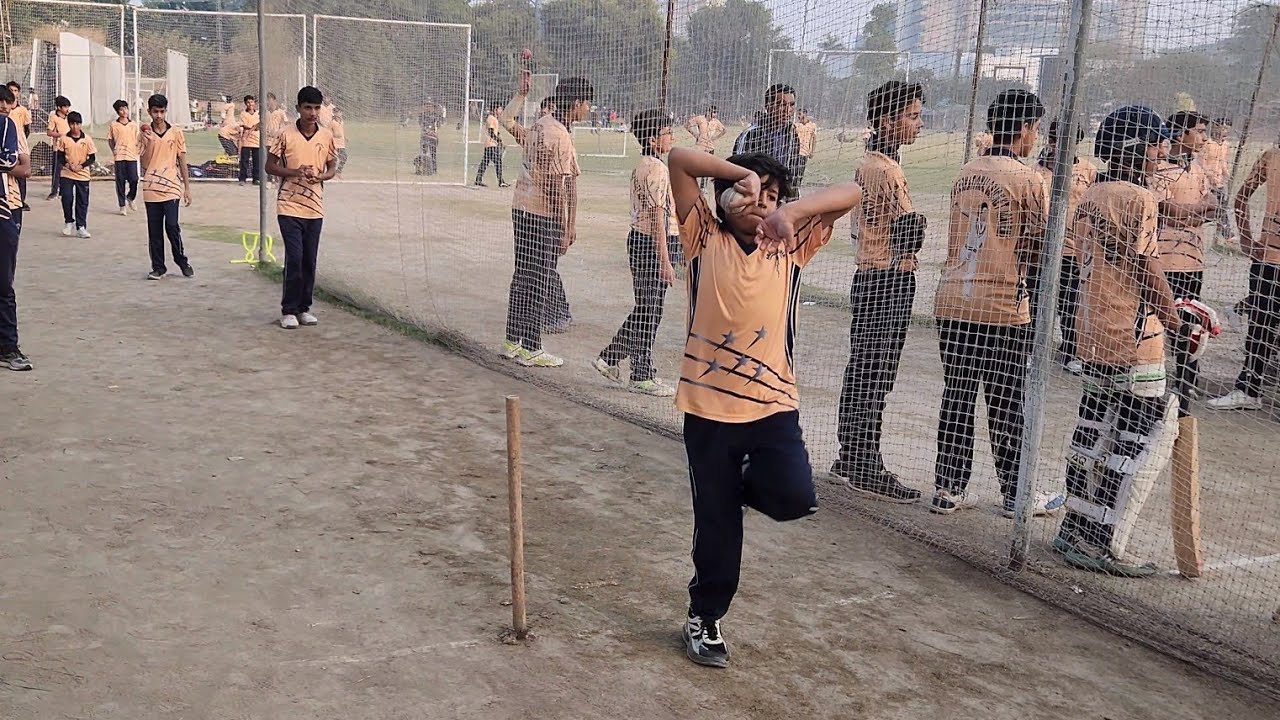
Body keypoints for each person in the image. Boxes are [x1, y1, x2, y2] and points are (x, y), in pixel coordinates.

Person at [668, 145, 860, 668]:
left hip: (773, 407)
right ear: (724, 196)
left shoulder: (790, 246)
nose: (759, 203)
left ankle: (739, 489)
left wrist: (790, 213)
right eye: (749, 194)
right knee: (717, 534)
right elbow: (680, 160)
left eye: (770, 195)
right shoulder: (702, 236)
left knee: (797, 497)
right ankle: (704, 617)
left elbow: (853, 193)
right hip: (708, 414)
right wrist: (740, 176)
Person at [1053, 106, 1180, 577]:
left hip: (1093, 336)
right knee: (1133, 444)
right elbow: (1145, 266)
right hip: (1134, 339)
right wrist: (1175, 319)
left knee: (1091, 435)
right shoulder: (1138, 198)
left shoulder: (1093, 193)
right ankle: (1102, 540)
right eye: (1154, 145)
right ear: (1134, 147)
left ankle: (1072, 528)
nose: (1160, 153)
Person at [932, 89, 1064, 518]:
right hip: (1003, 306)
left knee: (958, 394)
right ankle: (1015, 494)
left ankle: (948, 488)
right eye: (1036, 128)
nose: (1036, 136)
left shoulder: (965, 171)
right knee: (1007, 400)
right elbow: (1042, 244)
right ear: (1024, 128)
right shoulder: (1029, 179)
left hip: (953, 302)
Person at [831, 80, 925, 502]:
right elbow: (910, 229)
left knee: (864, 367)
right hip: (888, 277)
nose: (918, 124)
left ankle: (850, 455)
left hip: (870, 273)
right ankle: (865, 462)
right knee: (876, 371)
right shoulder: (886, 169)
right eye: (912, 116)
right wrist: (916, 229)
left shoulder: (870, 163)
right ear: (887, 121)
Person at [501, 77, 593, 366]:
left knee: (522, 276)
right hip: (542, 215)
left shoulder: (541, 125)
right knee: (539, 279)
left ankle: (511, 341)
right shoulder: (560, 135)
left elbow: (506, 120)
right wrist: (565, 226)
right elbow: (557, 186)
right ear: (577, 104)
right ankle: (532, 347)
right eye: (587, 104)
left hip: (521, 209)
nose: (589, 109)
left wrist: (520, 95)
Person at [592, 108, 678, 397]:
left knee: (649, 309)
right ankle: (640, 373)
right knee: (650, 310)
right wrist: (665, 260)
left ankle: (612, 358)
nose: (671, 137)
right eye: (667, 132)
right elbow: (657, 217)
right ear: (653, 139)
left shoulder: (646, 165)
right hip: (651, 243)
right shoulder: (655, 168)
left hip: (645, 242)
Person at [1149, 111, 1215, 412]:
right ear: (1179, 134)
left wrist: (1192, 211)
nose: (1204, 138)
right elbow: (1166, 210)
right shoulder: (1158, 171)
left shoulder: (1199, 170)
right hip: (1164, 262)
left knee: (1191, 325)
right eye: (1199, 132)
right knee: (1160, 321)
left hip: (1193, 262)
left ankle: (1186, 382)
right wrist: (1195, 211)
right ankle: (1154, 382)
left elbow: (1212, 206)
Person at [1206, 142, 1280, 411]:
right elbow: (1241, 197)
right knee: (1261, 325)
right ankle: (1249, 389)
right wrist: (1248, 239)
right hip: (1269, 260)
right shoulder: (1272, 156)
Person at [266, 86, 338, 330]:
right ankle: (289, 309)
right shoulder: (285, 134)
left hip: (314, 207)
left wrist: (322, 177)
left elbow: (332, 166)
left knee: (309, 259)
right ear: (298, 108)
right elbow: (270, 166)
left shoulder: (326, 136)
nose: (312, 113)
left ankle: (304, 307)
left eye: (317, 108)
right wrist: (294, 172)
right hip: (288, 205)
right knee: (295, 257)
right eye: (308, 107)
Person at [1036, 121, 1096, 373]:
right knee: (1040, 300)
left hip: (1075, 250)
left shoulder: (1088, 171)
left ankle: (1071, 350)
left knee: (1071, 302)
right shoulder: (1038, 171)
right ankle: (1033, 350)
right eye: (1055, 139)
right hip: (1044, 249)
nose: (1058, 145)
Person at [139, 94, 194, 280]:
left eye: (162, 111)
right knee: (154, 231)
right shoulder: (144, 134)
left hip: (171, 187)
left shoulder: (176, 132)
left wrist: (187, 188)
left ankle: (182, 261)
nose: (159, 116)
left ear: (166, 111)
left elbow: (182, 160)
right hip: (151, 188)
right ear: (149, 112)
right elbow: (145, 163)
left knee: (172, 226)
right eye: (155, 112)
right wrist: (146, 143)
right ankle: (158, 267)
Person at [0, 84, 31, 371]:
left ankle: (8, 347)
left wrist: (2, 165)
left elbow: (24, 168)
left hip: (8, 206)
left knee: (3, 281)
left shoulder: (10, 126)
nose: (5, 108)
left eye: (7, 103)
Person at [733, 84, 803, 199]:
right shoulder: (750, 135)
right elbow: (737, 170)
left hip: (782, 201)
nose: (787, 110)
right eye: (781, 104)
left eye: (791, 105)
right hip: (756, 199)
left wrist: (792, 198)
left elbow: (793, 172)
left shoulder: (792, 136)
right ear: (767, 106)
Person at [56, 111, 96, 239]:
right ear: (69, 124)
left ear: (80, 124)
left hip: (83, 175)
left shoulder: (87, 139)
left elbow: (92, 158)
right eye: (72, 124)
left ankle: (81, 227)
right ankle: (69, 221)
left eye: (77, 124)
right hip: (67, 174)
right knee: (67, 197)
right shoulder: (64, 139)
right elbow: (60, 156)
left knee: (82, 201)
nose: (74, 127)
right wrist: (68, 165)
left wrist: (81, 166)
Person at [1199, 117, 1233, 244]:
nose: (1224, 132)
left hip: (1219, 182)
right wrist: (1209, 175)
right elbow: (1201, 163)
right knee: (1213, 207)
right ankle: (1227, 233)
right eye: (1222, 128)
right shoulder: (1207, 143)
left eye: (1227, 129)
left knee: (1220, 207)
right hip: (1207, 182)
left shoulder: (1225, 145)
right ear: (1215, 127)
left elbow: (1223, 162)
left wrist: (1226, 174)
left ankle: (1227, 233)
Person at [108, 99, 141, 216]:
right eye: (121, 109)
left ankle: (131, 197)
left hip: (131, 156)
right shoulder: (114, 125)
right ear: (118, 112)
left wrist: (138, 149)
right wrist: (115, 151)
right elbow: (110, 140)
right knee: (120, 182)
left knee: (134, 179)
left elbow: (138, 139)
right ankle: (122, 205)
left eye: (126, 108)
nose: (124, 111)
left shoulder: (134, 125)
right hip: (119, 157)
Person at [685, 105, 725, 190]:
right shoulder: (700, 119)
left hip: (710, 147)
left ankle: (703, 186)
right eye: (712, 112)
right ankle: (691, 183)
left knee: (707, 167)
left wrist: (715, 137)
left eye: (715, 113)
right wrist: (695, 134)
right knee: (697, 166)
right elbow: (687, 125)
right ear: (708, 112)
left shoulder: (716, 122)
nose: (714, 115)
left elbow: (724, 130)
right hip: (700, 146)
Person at [6, 82, 30, 210]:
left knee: (22, 173)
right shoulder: (5, 108)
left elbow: (27, 129)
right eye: (11, 90)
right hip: (7, 143)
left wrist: (21, 141)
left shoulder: (23, 110)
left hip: (20, 144)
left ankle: (21, 200)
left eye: (16, 90)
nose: (13, 93)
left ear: (18, 93)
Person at [474, 101, 507, 187]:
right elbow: (491, 132)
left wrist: (499, 137)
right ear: (495, 109)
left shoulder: (493, 118)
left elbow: (495, 131)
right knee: (498, 161)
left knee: (485, 162)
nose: (501, 110)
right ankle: (501, 181)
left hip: (490, 144)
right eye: (500, 109)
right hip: (491, 144)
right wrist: (499, 140)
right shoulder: (491, 118)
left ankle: (478, 179)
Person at [45, 95, 70, 200]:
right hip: (58, 148)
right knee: (56, 171)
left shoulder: (69, 117)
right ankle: (54, 191)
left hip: (69, 148)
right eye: (65, 107)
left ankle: (64, 190)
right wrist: (60, 135)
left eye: (68, 106)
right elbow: (49, 132)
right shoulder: (54, 117)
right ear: (59, 108)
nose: (67, 109)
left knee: (67, 170)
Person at [238, 95, 261, 186]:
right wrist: (252, 128)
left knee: (257, 161)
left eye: (251, 102)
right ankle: (243, 178)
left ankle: (256, 179)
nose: (250, 104)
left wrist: (255, 127)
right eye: (248, 102)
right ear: (245, 104)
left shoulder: (258, 113)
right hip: (246, 140)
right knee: (244, 161)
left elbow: (260, 124)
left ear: (254, 103)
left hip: (256, 140)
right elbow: (244, 125)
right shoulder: (243, 114)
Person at [794, 108, 818, 187]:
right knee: (794, 172)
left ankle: (798, 188)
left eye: (800, 114)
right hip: (796, 153)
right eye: (798, 114)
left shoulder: (812, 126)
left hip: (805, 153)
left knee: (800, 172)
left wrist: (812, 151)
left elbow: (814, 139)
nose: (798, 116)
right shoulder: (796, 125)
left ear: (805, 114)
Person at [331, 106, 348, 177]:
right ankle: (332, 173)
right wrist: (334, 135)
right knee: (333, 159)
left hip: (341, 144)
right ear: (334, 113)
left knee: (344, 157)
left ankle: (338, 172)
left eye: (340, 112)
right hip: (335, 144)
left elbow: (342, 131)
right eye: (337, 112)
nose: (339, 114)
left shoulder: (341, 121)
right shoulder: (332, 122)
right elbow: (327, 132)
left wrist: (345, 137)